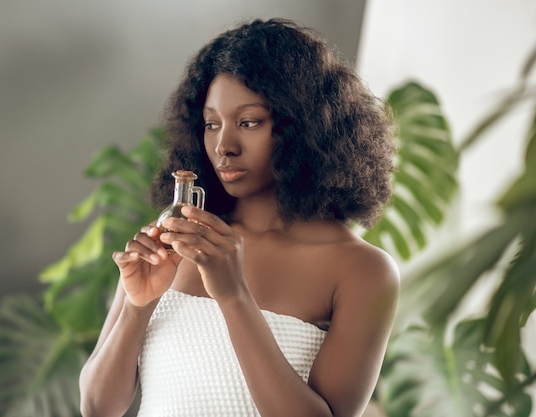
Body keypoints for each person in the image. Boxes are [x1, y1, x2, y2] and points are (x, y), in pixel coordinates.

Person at [79, 18, 399, 417]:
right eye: (211, 124)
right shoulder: (175, 239)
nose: (223, 146)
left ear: (301, 128)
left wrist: (233, 297)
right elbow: (97, 407)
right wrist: (137, 307)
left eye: (249, 123)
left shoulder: (361, 270)